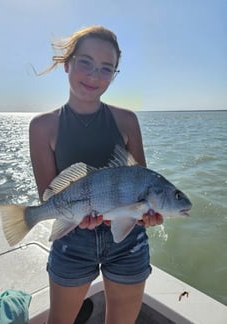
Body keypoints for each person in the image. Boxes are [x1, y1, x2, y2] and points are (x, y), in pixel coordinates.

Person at [29, 25, 163, 324]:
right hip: (73, 235)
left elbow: (140, 181)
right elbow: (48, 196)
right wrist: (76, 214)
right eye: (85, 62)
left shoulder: (127, 120)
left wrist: (148, 214)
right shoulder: (42, 126)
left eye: (106, 68)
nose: (94, 75)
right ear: (67, 64)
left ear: (115, 75)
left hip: (128, 240)